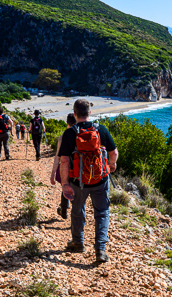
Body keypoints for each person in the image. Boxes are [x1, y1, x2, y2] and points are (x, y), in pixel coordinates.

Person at [59, 99, 118, 262]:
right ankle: (100, 249)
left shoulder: (70, 133)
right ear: (90, 113)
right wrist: (112, 165)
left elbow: (64, 161)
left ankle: (78, 243)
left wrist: (65, 184)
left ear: (75, 113)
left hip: (78, 182)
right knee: (102, 212)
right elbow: (114, 152)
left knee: (78, 211)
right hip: (100, 179)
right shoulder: (101, 129)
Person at [50, 113, 76, 219]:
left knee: (65, 188)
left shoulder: (63, 137)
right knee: (77, 190)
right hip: (79, 168)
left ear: (67, 123)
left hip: (65, 168)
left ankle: (64, 210)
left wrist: (52, 174)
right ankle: (76, 215)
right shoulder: (82, 134)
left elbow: (58, 157)